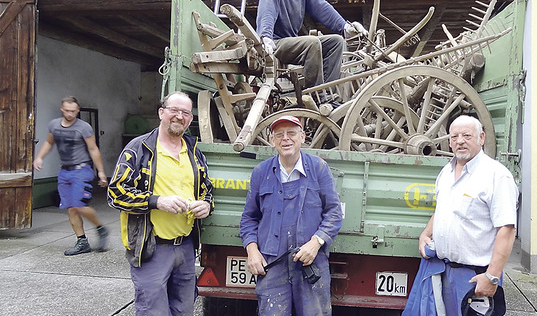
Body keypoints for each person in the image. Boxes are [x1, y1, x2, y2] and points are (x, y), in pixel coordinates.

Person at [107, 91, 214, 316]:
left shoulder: (194, 152)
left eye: (185, 112)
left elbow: (207, 189)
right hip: (152, 248)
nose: (179, 116)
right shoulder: (140, 149)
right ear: (161, 113)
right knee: (153, 312)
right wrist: (157, 201)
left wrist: (206, 205)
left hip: (185, 248)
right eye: (173, 110)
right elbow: (115, 192)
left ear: (190, 119)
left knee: (184, 310)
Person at [405, 115, 518, 316]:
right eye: (455, 136)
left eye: (467, 136)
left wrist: (492, 277)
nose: (460, 141)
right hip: (443, 272)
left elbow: (507, 230)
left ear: (481, 138)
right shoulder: (446, 173)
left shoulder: (497, 176)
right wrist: (426, 233)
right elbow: (443, 210)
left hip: (475, 277)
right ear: (449, 142)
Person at [240, 115, 343, 315]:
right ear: (272, 140)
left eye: (291, 133)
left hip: (310, 262)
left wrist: (316, 243)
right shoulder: (261, 172)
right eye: (279, 135)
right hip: (272, 264)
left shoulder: (318, 168)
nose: (285, 139)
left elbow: (334, 213)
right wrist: (252, 251)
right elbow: (249, 218)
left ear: (302, 137)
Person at [256, 0, 368, 91]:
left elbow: (322, 8)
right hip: (273, 43)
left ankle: (329, 92)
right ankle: (315, 94)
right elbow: (267, 11)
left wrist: (345, 27)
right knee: (312, 43)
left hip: (291, 42)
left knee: (337, 42)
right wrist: (265, 36)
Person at [33, 96, 110, 256]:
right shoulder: (54, 125)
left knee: (79, 204)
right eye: (67, 111)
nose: (70, 114)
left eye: (73, 111)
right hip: (64, 171)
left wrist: (101, 172)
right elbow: (49, 142)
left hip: (82, 170)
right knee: (70, 208)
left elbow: (93, 149)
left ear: (78, 110)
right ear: (62, 109)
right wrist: (39, 157)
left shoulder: (84, 127)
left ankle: (101, 229)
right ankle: (82, 241)